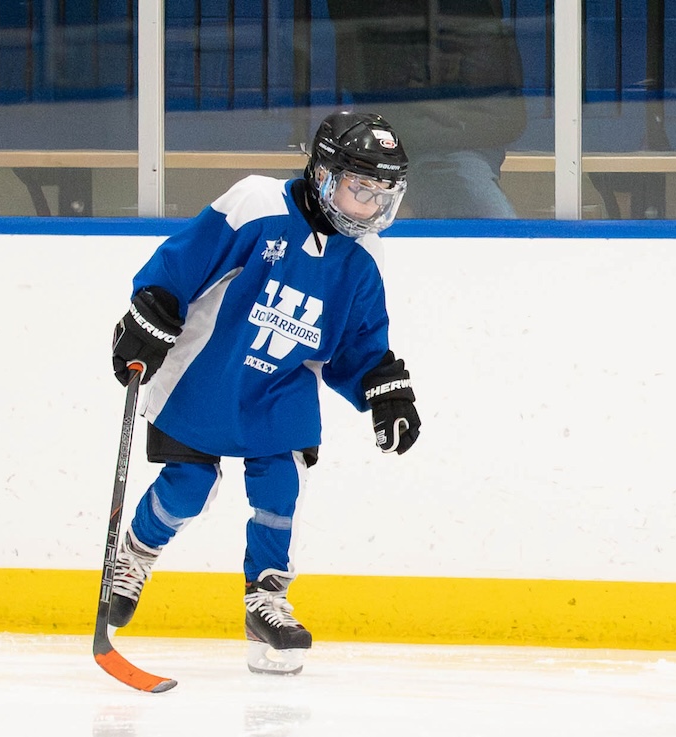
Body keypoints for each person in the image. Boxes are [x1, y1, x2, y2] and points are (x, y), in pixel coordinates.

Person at [108, 110, 422, 676]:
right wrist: (150, 311)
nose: (369, 207)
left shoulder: (363, 258)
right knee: (188, 488)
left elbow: (355, 347)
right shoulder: (257, 204)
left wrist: (384, 388)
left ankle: (266, 600)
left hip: (280, 386)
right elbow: (185, 260)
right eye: (359, 190)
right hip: (207, 371)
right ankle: (135, 553)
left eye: (381, 195)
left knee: (280, 486)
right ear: (324, 176)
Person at [324, 0, 527, 219]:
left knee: (494, 228)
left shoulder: (473, 16)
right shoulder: (376, 18)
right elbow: (378, 112)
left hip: (459, 157)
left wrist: (448, 121)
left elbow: (509, 119)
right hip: (381, 157)